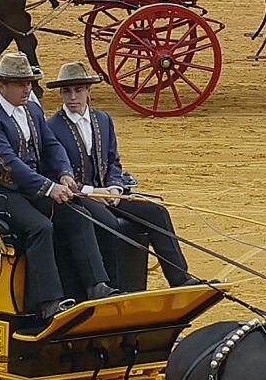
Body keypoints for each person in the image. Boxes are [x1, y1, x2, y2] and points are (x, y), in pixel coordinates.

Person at [0, 49, 112, 319]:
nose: (27, 89)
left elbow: (51, 145)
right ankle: (48, 301)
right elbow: (9, 163)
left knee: (78, 215)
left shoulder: (32, 109)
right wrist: (49, 187)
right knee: (40, 227)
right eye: (21, 84)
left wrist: (64, 173)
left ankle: (96, 286)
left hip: (30, 187)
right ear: (2, 85)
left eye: (29, 83)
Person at [42, 60, 194, 292]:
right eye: (67, 91)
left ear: (88, 90)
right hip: (78, 198)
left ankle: (180, 278)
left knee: (156, 212)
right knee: (110, 225)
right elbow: (54, 173)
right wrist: (93, 192)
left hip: (109, 193)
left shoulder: (103, 120)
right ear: (61, 94)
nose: (73, 97)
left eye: (78, 90)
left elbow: (113, 161)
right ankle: (113, 287)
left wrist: (114, 188)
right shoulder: (51, 127)